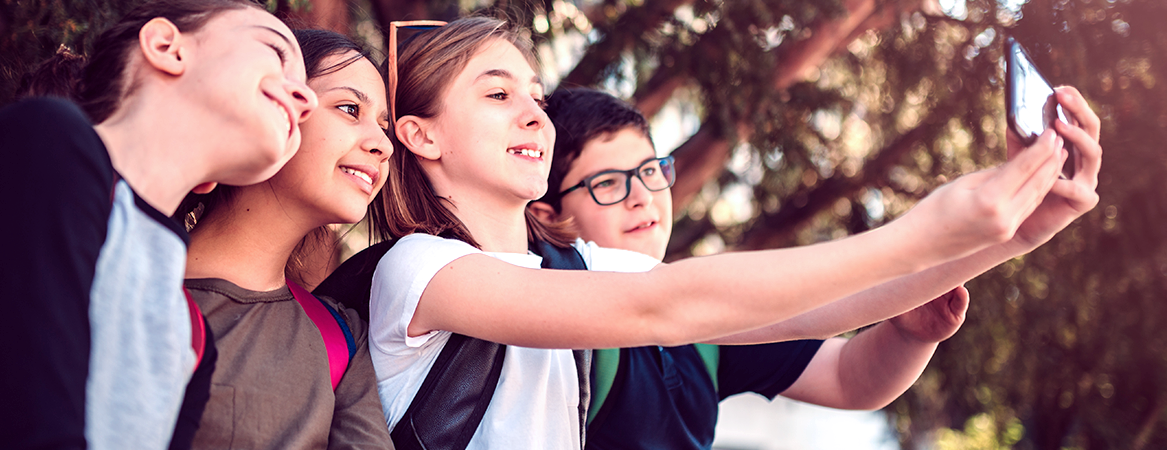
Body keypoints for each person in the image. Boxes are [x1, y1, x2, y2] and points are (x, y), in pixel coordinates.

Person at [360, 15, 1102, 449]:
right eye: (497, 93)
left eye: (532, 92)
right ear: (420, 136)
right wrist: (925, 231)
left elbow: (807, 311)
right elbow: (669, 307)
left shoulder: (579, 268)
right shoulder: (420, 268)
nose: (533, 112)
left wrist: (1018, 235)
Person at [0, 1, 317, 449]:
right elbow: (30, 413)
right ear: (167, 47)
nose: (306, 99)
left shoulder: (192, 338)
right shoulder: (42, 142)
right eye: (275, 51)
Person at [529, 87, 974, 449]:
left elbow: (847, 378)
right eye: (607, 183)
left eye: (649, 171)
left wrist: (911, 335)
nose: (642, 195)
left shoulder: (707, 324)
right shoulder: (548, 304)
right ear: (548, 217)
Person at [177, 29, 393, 449]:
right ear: (269, 112)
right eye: (350, 109)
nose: (383, 144)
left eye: (383, 125)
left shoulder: (341, 335)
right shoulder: (113, 291)